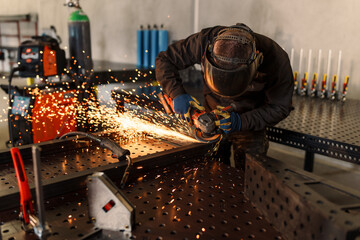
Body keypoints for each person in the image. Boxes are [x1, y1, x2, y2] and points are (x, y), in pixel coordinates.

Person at [155, 23, 294, 168]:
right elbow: (165, 60)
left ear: (256, 62)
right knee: (212, 170)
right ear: (209, 54)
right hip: (211, 116)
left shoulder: (275, 59)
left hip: (250, 121)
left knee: (249, 176)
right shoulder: (204, 42)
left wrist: (241, 122)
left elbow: (280, 107)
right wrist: (177, 93)